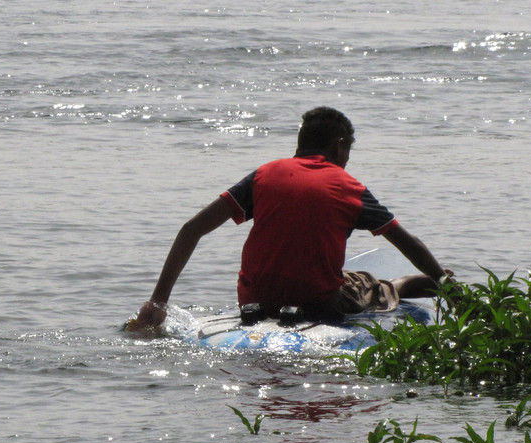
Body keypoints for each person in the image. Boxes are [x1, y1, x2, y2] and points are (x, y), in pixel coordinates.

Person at [128, 106, 451, 331]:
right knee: (371, 284)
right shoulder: (350, 187)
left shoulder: (264, 175)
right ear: (339, 146)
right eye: (348, 153)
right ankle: (410, 285)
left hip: (256, 299)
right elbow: (407, 242)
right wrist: (445, 281)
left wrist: (158, 302)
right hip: (319, 302)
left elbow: (192, 229)